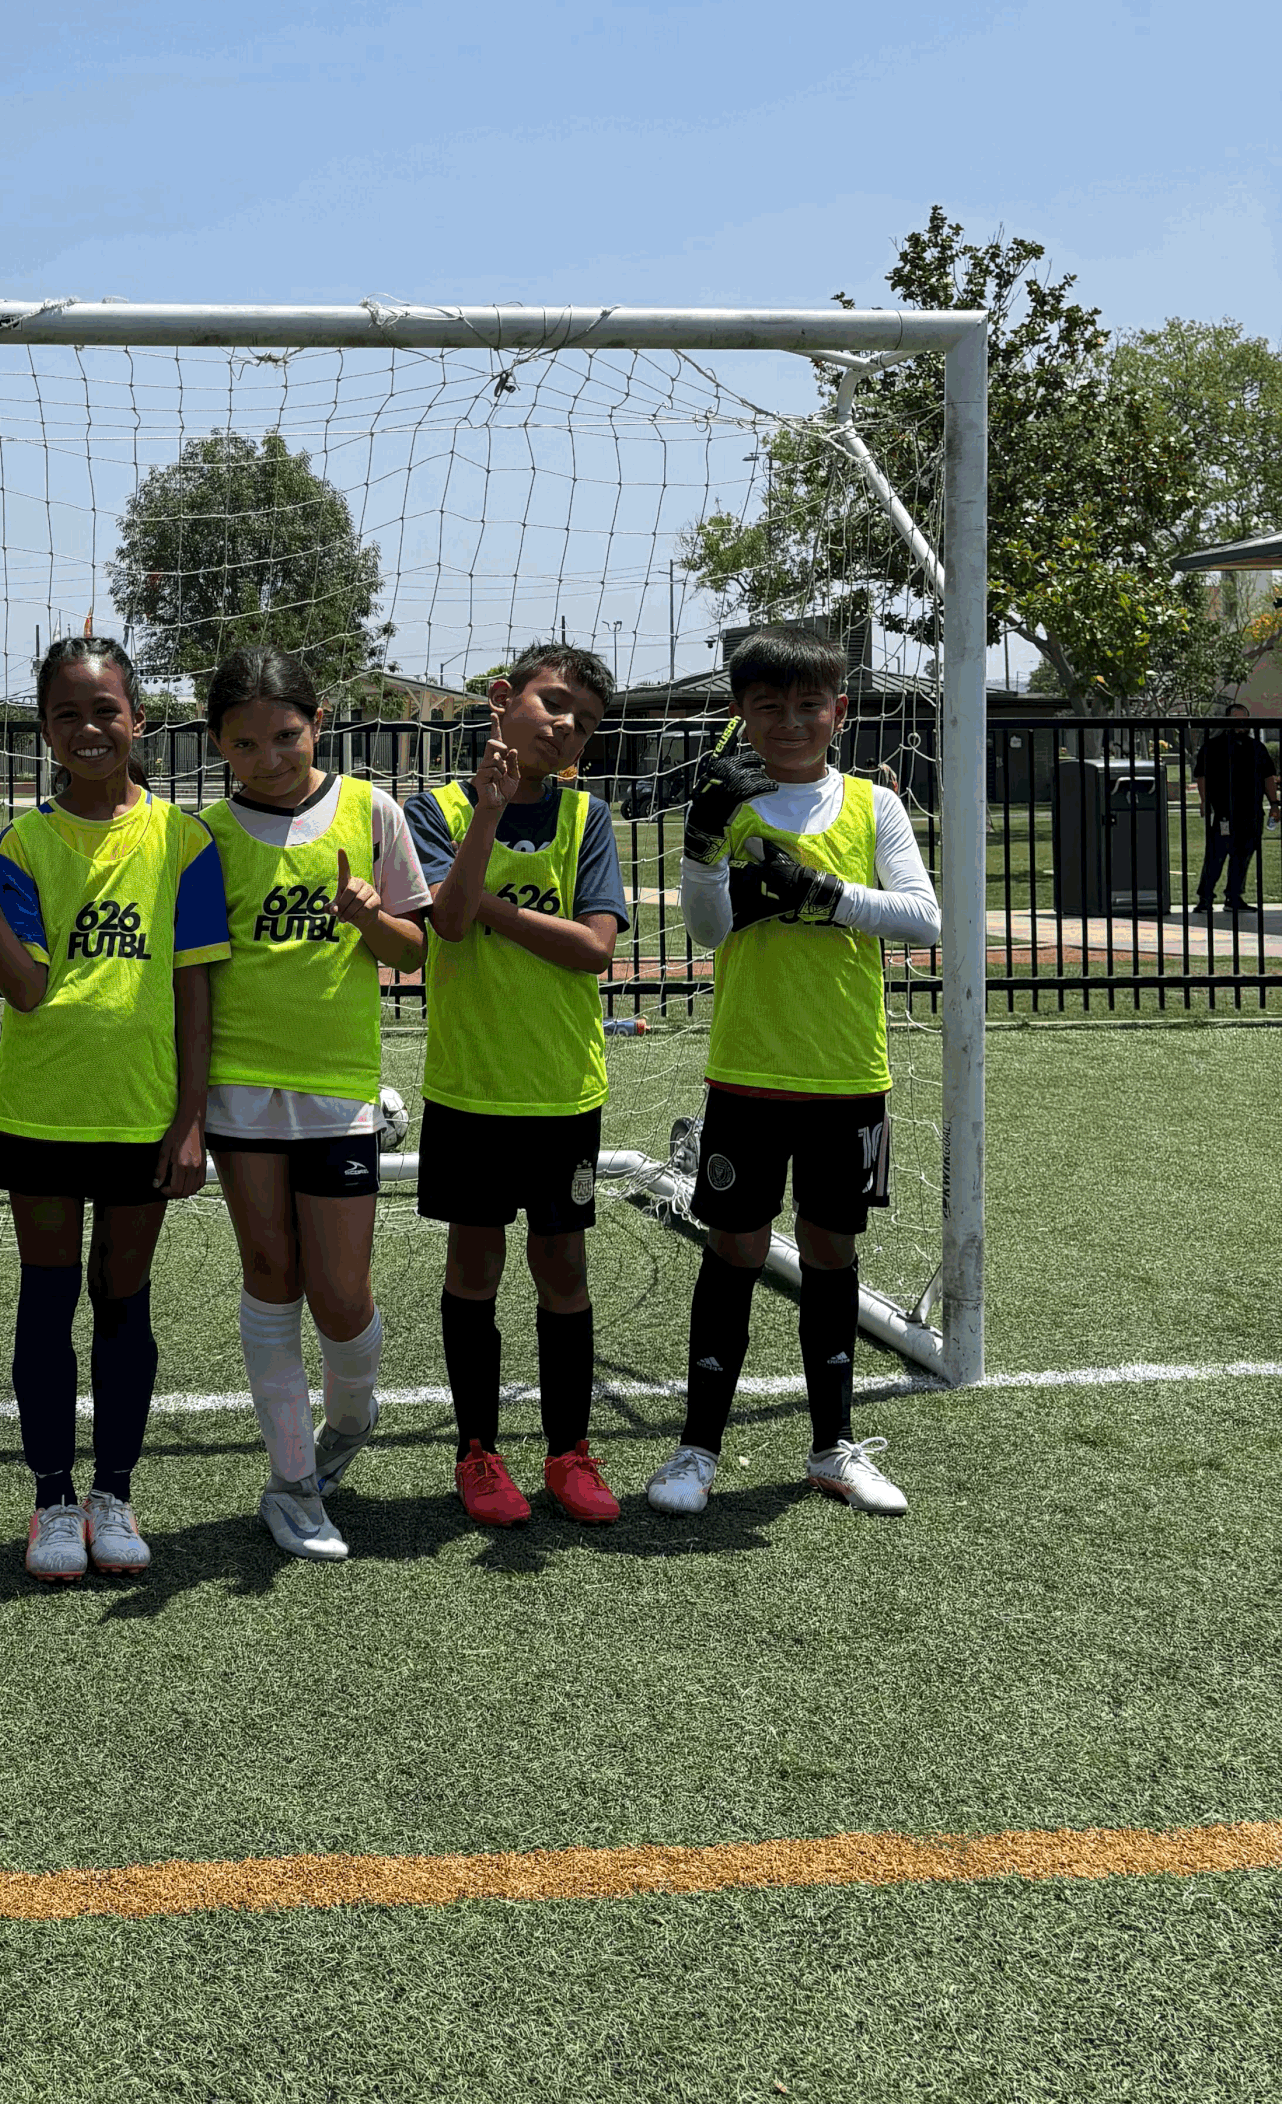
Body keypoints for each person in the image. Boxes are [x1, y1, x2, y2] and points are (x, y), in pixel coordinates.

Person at [0, 636, 229, 1583]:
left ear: (137, 720)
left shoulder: (185, 844)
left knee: (123, 1299)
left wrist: (191, 1118)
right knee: (49, 1297)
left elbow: (195, 997)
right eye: (68, 714)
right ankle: (53, 1498)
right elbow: (20, 989)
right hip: (47, 1109)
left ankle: (115, 1489)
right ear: (46, 733)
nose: (90, 728)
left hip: (143, 1115)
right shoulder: (19, 845)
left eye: (107, 710)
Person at [645, 632, 941, 1521]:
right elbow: (706, 931)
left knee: (830, 1249)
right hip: (747, 1069)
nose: (789, 722)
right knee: (734, 1246)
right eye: (768, 706)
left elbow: (924, 918)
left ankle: (832, 1447)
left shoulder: (871, 804)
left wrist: (824, 895)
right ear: (742, 714)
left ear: (837, 714)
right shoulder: (730, 804)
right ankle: (698, 1448)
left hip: (849, 1073)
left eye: (807, 705)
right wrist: (702, 849)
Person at [200, 649, 430, 1560]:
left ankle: (353, 1411)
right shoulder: (206, 834)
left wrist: (369, 916)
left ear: (318, 723)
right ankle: (292, 1481)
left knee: (340, 1295)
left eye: (285, 735)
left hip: (338, 1089)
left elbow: (412, 952)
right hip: (240, 1089)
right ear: (218, 742)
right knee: (270, 1273)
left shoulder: (373, 811)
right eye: (246, 741)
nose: (269, 756)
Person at [409, 645, 630, 1528]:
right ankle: (478, 1451)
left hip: (563, 1089)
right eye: (553, 702)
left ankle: (569, 1452)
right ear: (504, 699)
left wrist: (500, 910)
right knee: (475, 1263)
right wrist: (487, 821)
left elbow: (596, 949)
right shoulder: (438, 811)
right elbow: (447, 924)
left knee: (562, 1266)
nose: (566, 724)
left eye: (584, 718)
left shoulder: (589, 816)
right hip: (470, 1087)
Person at [1192, 705, 1278, 921]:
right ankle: (1205, 899)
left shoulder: (1257, 748)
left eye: (1244, 720)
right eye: (1236, 720)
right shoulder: (1214, 747)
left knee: (1244, 855)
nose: (1241, 725)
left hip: (1251, 812)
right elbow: (1201, 775)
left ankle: (1234, 897)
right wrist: (1204, 801)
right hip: (1224, 812)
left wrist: (1274, 804)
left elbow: (1269, 777)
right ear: (1227, 721)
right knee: (1216, 855)